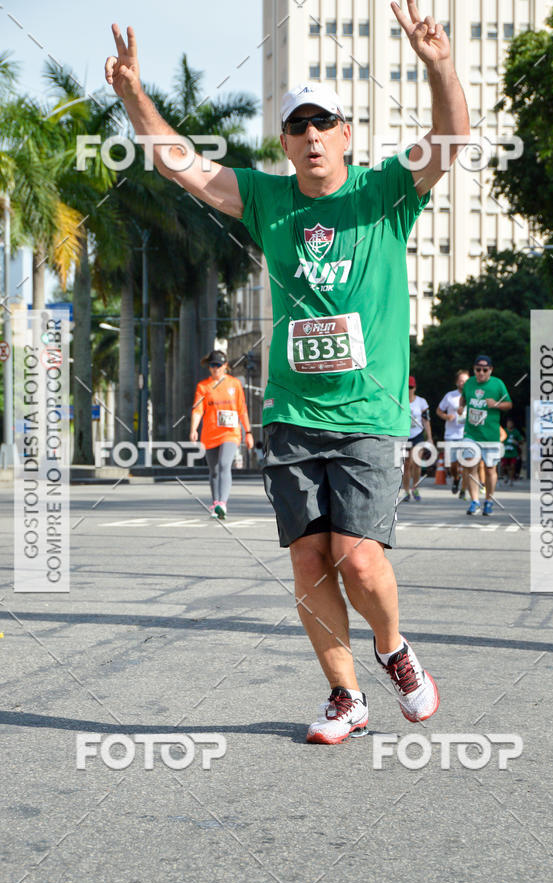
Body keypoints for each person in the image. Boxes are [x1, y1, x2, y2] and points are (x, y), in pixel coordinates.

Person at [105, 0, 469, 744]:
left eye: (322, 124)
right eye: (297, 126)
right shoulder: (267, 199)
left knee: (358, 560)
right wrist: (132, 97)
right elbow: (184, 167)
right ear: (285, 140)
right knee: (309, 556)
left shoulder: (383, 192)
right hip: (292, 413)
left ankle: (393, 651)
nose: (310, 137)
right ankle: (346, 697)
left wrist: (439, 67)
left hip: (367, 411)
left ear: (345, 135)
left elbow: (449, 141)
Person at [189, 350, 254, 519]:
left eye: (218, 365)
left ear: (225, 366)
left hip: (230, 433)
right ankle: (215, 502)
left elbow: (242, 410)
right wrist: (193, 429)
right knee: (214, 470)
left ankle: (222, 503)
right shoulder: (203, 387)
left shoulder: (234, 385)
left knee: (225, 464)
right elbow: (197, 410)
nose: (215, 369)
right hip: (210, 434)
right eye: (212, 365)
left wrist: (248, 432)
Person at [459, 354, 513, 516]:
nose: (481, 373)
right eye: (478, 369)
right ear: (474, 370)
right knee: (470, 464)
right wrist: (461, 407)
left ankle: (488, 501)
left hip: (491, 435)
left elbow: (509, 404)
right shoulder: (469, 383)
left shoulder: (498, 384)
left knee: (490, 469)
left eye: (485, 370)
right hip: (471, 433)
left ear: (491, 370)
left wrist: (496, 404)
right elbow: (463, 399)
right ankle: (474, 501)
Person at [436, 369, 469, 496]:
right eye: (461, 380)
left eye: (466, 381)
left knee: (467, 462)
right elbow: (439, 411)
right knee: (453, 464)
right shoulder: (450, 396)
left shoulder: (472, 395)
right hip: (451, 434)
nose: (463, 383)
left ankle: (464, 489)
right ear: (456, 382)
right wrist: (446, 417)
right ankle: (456, 479)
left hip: (466, 434)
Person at [401, 376, 433, 502]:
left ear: (415, 388)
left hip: (418, 434)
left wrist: (429, 437)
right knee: (407, 464)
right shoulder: (400, 400)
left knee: (417, 462)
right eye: (407, 387)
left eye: (411, 387)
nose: (409, 390)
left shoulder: (421, 402)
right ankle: (406, 491)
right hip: (404, 435)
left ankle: (415, 487)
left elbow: (426, 420)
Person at [501, 418, 524, 486]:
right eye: (508, 423)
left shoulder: (516, 432)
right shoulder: (504, 431)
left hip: (513, 453)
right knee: (504, 466)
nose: (509, 424)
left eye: (511, 423)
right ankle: (505, 476)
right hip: (504, 453)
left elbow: (521, 441)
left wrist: (516, 442)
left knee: (512, 466)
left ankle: (511, 479)